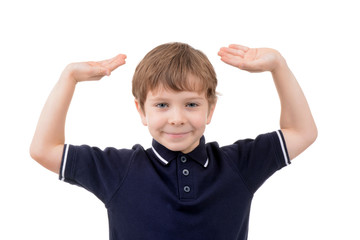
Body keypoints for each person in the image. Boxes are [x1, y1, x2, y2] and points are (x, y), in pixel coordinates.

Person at [30, 42, 317, 240]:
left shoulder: (238, 165)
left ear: (210, 109)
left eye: (191, 104)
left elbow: (301, 132)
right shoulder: (119, 170)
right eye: (162, 105)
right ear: (141, 111)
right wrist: (69, 77)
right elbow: (44, 149)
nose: (177, 118)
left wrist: (278, 66)